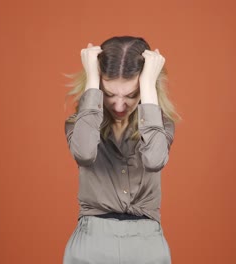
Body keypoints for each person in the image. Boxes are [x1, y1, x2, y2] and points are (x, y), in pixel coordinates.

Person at [63, 36, 180, 264]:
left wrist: (147, 85)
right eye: (109, 94)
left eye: (131, 95)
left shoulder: (161, 125)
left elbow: (155, 160)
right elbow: (84, 153)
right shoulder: (79, 124)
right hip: (91, 243)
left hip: (147, 246)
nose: (118, 105)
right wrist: (92, 78)